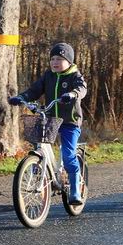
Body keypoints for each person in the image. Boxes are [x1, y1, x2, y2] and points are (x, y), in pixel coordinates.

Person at [8, 42, 88, 204]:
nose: (55, 62)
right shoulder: (48, 76)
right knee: (40, 146)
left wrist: (72, 94)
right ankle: (43, 178)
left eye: (59, 59)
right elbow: (34, 91)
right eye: (52, 59)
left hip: (70, 121)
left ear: (69, 61)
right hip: (50, 119)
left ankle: (75, 190)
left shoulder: (75, 76)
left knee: (68, 154)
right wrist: (22, 98)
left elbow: (82, 88)